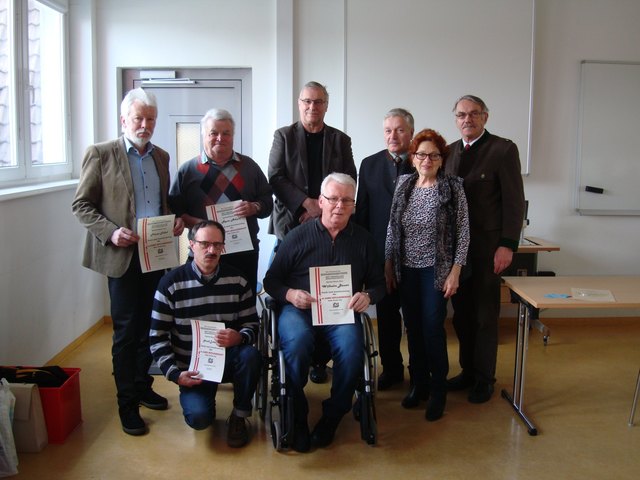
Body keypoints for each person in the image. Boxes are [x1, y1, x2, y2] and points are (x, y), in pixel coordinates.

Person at [71, 88, 185, 436]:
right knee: (125, 332)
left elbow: (161, 203)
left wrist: (174, 220)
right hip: (121, 256)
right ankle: (126, 404)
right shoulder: (101, 154)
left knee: (152, 328)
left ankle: (142, 384)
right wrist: (111, 232)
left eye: (151, 119)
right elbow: (82, 206)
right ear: (124, 120)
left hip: (156, 255)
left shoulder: (162, 156)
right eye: (139, 118)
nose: (146, 124)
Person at [263, 173, 385, 452]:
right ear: (321, 201)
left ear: (353, 205)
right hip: (300, 309)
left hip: (340, 313)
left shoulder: (363, 240)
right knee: (296, 343)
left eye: (346, 200)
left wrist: (368, 296)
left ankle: (332, 415)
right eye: (332, 199)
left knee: (353, 349)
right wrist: (290, 294)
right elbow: (271, 281)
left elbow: (379, 284)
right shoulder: (297, 237)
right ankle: (297, 414)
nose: (339, 205)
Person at [268, 81, 357, 384]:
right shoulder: (284, 136)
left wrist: (323, 209)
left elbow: (350, 178)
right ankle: (299, 351)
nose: (312, 107)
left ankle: (320, 358)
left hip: (331, 222)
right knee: (297, 283)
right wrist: (306, 204)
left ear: (326, 105)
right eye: (307, 101)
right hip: (293, 221)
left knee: (327, 290)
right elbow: (276, 177)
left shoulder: (340, 140)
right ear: (299, 103)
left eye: (318, 102)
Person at [149, 220, 261, 448]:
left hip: (228, 360)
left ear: (223, 248)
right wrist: (175, 374)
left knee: (251, 355)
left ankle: (239, 415)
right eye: (204, 244)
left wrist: (240, 337)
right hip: (191, 369)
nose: (211, 250)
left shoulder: (238, 281)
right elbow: (157, 337)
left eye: (217, 245)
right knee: (199, 420)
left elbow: (252, 324)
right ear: (191, 245)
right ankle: (203, 400)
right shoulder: (170, 284)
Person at [445, 95, 525, 404]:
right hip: (457, 253)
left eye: (474, 114)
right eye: (462, 115)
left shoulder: (503, 150)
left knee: (484, 315)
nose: (468, 119)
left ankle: (484, 378)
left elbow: (514, 202)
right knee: (462, 315)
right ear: (456, 119)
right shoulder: (449, 152)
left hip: (487, 248)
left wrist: (507, 245)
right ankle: (467, 371)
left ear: (485, 117)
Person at [385, 129, 470, 421]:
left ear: (441, 158)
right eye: (421, 154)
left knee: (433, 328)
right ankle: (418, 384)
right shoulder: (403, 184)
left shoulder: (453, 187)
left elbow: (464, 233)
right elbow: (391, 228)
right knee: (413, 328)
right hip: (406, 270)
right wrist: (388, 263)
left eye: (434, 155)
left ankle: (438, 390)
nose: (427, 159)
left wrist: (455, 272)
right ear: (413, 158)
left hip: (436, 271)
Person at [168, 108, 273, 297]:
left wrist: (254, 207)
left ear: (233, 135)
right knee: (200, 303)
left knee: (243, 304)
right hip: (203, 252)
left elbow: (267, 203)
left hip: (243, 251)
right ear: (204, 135)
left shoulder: (249, 167)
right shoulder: (188, 170)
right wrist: (199, 224)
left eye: (226, 133)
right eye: (213, 133)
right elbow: (176, 212)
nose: (220, 138)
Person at [354, 108, 415, 391]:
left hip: (417, 257)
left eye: (400, 129)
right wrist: (367, 260)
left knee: (417, 317)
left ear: (411, 132)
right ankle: (392, 369)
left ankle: (419, 370)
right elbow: (362, 216)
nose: (393, 135)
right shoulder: (369, 164)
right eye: (388, 130)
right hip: (382, 257)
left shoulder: (424, 161)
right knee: (388, 319)